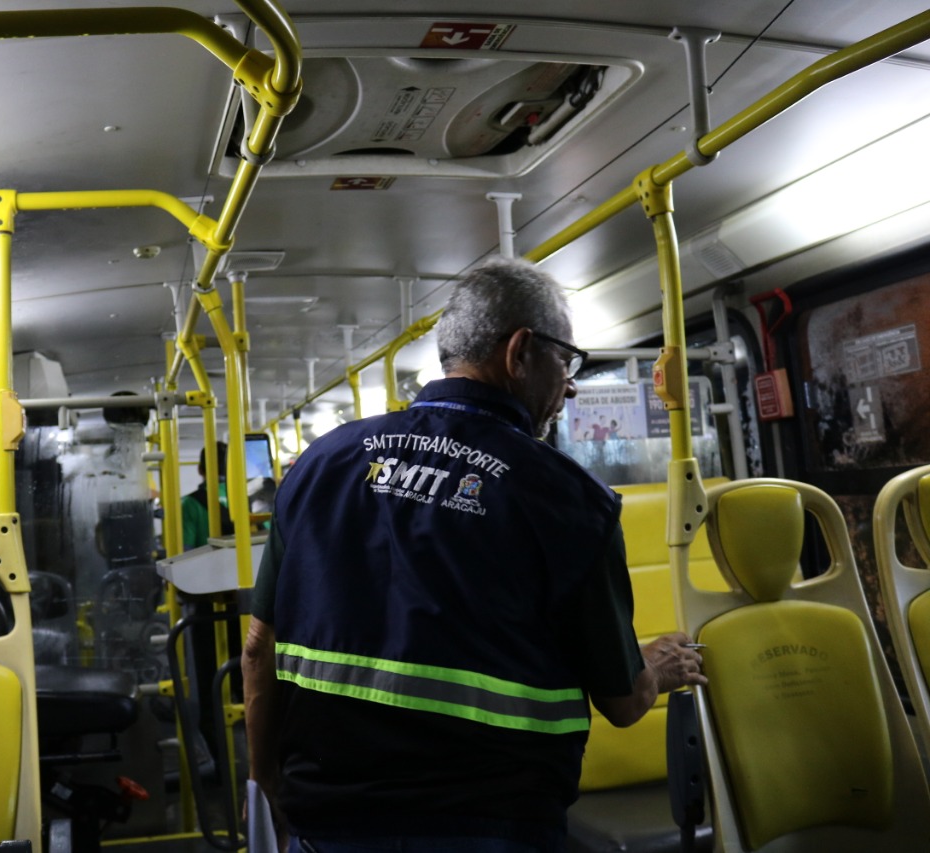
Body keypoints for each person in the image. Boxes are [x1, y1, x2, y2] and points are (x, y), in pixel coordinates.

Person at [242, 258, 706, 853]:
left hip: (328, 823)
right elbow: (621, 700)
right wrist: (656, 670)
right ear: (520, 353)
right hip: (492, 826)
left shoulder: (320, 464)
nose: (568, 386)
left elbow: (259, 651)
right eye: (566, 362)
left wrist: (268, 787)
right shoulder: (570, 501)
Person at [181, 441, 233, 549]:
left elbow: (186, 550)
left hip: (207, 565)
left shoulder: (189, 503)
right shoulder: (250, 497)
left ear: (200, 469)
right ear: (231, 468)